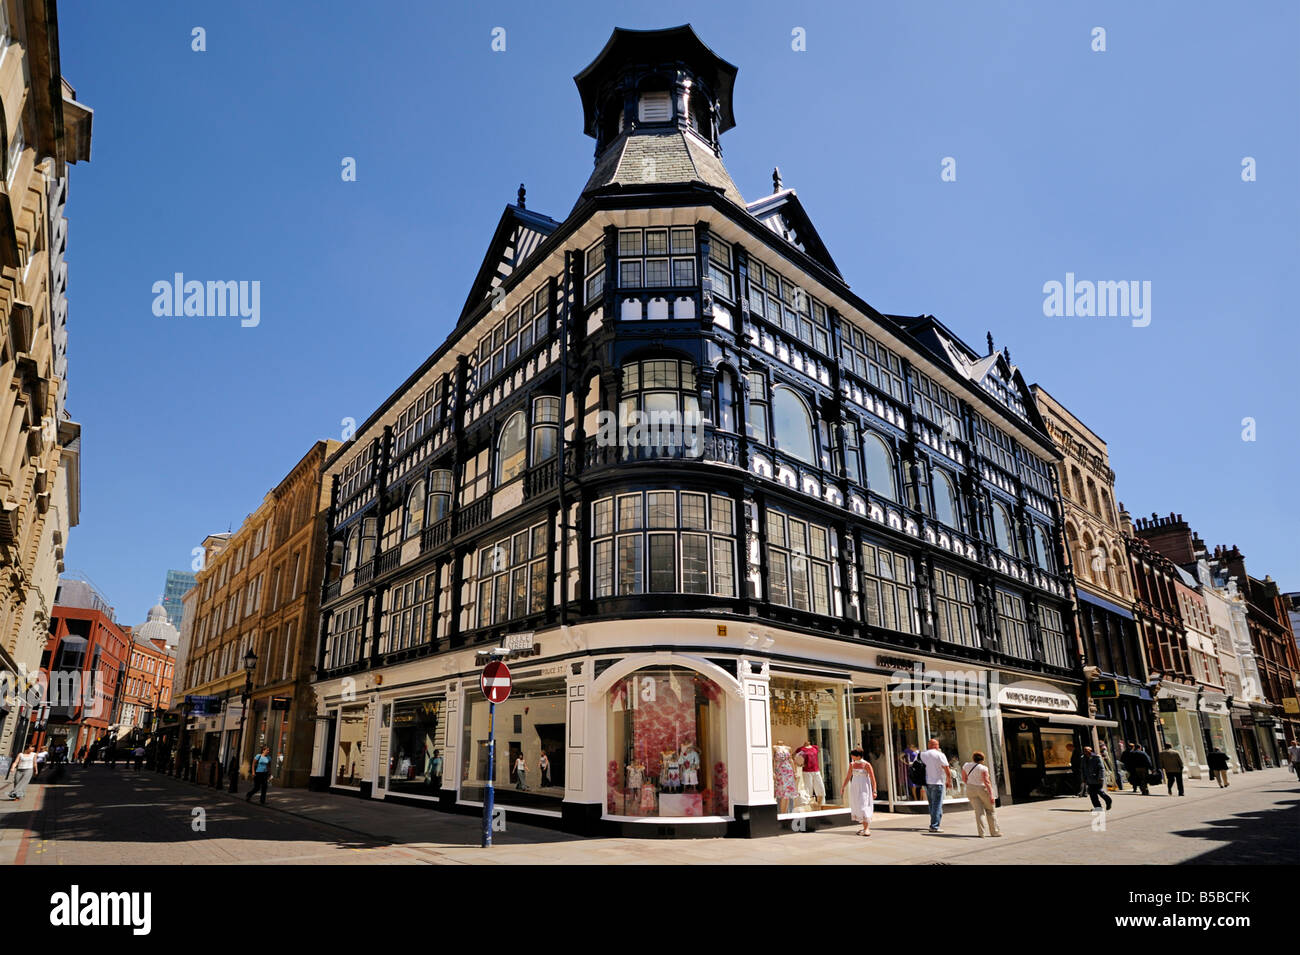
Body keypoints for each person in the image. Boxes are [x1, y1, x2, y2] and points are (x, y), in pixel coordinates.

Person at [961, 751, 1002, 837]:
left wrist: (971, 784)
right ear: (982, 760)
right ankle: (994, 832)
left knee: (978, 812)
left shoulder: (966, 766)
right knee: (990, 811)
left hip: (970, 789)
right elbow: (987, 782)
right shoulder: (983, 768)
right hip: (982, 788)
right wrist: (991, 795)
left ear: (973, 758)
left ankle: (981, 833)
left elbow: (964, 779)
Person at [840, 748, 876, 836]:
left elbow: (872, 778)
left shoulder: (866, 764)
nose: (851, 757)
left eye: (852, 755)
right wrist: (843, 787)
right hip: (855, 788)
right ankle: (864, 828)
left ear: (858, 756)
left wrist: (874, 790)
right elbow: (848, 777)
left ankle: (867, 829)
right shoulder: (852, 765)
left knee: (864, 806)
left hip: (864, 788)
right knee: (858, 806)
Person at [919, 738, 951, 832]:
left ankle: (935, 822)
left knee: (932, 804)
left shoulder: (922, 754)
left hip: (927, 782)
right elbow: (947, 769)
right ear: (936, 745)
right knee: (937, 805)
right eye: (937, 745)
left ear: (929, 745)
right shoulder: (940, 755)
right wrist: (949, 781)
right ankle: (934, 826)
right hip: (938, 782)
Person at [795, 739, 825, 809]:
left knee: (820, 787)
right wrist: (799, 764)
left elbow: (817, 754)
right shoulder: (802, 749)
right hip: (807, 771)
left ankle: (820, 805)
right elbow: (794, 756)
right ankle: (810, 807)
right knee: (808, 789)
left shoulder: (815, 747)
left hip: (816, 770)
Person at [1082, 746, 1112, 812]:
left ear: (1091, 750)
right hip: (1089, 779)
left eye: (1087, 750)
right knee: (1092, 794)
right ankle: (1098, 808)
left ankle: (1108, 800)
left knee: (1099, 791)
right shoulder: (1083, 758)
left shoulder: (1096, 757)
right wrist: (1084, 778)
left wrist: (1101, 777)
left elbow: (1101, 768)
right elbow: (1083, 769)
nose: (1086, 751)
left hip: (1097, 778)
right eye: (1084, 750)